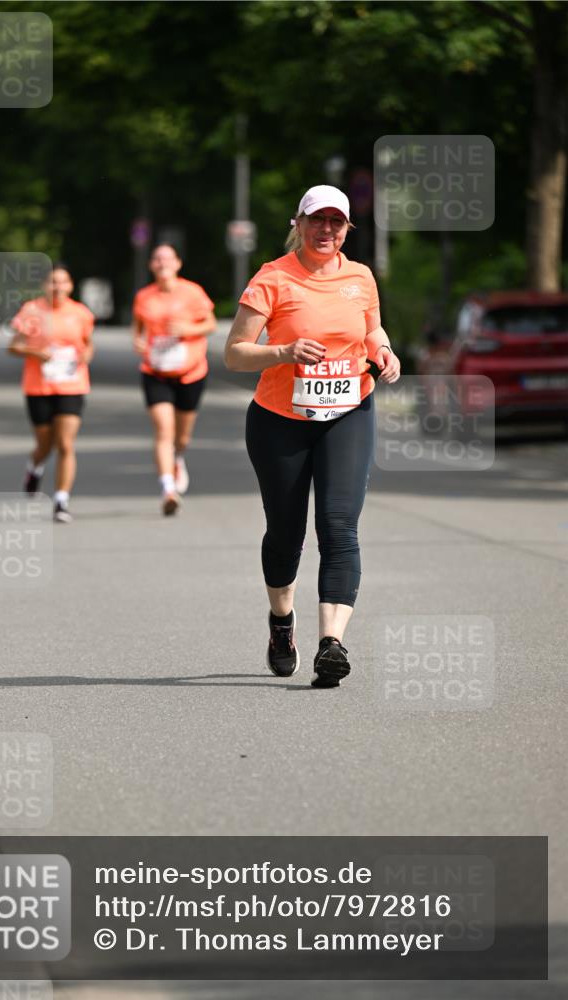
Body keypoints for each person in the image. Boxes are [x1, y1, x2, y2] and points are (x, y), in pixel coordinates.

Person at [224, 185, 401, 689]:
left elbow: (373, 332)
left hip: (348, 410)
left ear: (347, 229)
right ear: (297, 224)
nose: (327, 230)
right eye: (317, 221)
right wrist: (282, 352)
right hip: (280, 419)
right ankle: (282, 623)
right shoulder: (272, 278)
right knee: (286, 533)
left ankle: (332, 644)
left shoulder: (360, 277)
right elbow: (235, 353)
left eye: (337, 223)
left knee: (339, 526)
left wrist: (385, 353)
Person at [132, 244, 216, 515]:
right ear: (151, 265)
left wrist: (188, 329)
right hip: (155, 372)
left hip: (190, 372)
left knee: (182, 437)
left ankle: (178, 457)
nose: (162, 262)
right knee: (163, 432)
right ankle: (168, 489)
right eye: (156, 258)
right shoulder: (144, 296)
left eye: (167, 258)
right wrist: (140, 342)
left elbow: (210, 324)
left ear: (178, 263)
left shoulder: (192, 292)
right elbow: (139, 330)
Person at [8, 264, 95, 523]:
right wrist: (36, 352)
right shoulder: (31, 311)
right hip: (39, 386)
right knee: (45, 444)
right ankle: (34, 467)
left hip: (72, 385)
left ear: (70, 285)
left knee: (66, 443)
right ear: (44, 285)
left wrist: (84, 357)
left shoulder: (80, 313)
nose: (57, 287)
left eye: (63, 282)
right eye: (52, 282)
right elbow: (13, 346)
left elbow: (88, 345)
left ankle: (61, 500)